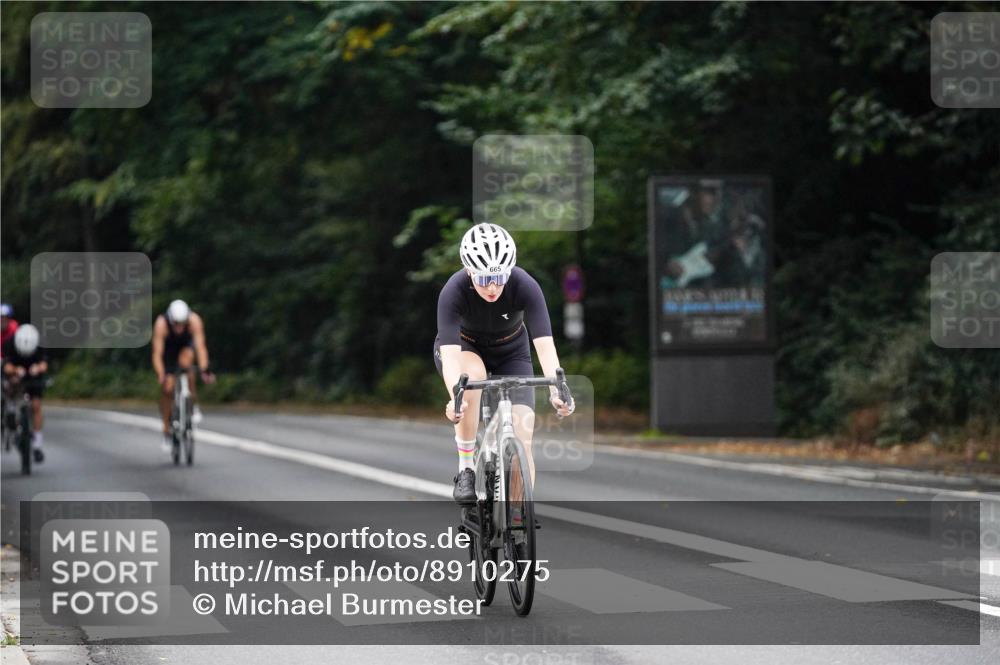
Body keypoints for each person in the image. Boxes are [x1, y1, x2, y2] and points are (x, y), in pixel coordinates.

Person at [434, 223, 574, 505]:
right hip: (465, 347)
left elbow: (545, 347)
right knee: (470, 376)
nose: (493, 286)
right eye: (484, 279)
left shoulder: (524, 285)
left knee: (523, 437)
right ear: (469, 271)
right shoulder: (453, 291)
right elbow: (450, 356)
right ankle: (466, 469)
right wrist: (455, 397)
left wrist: (558, 389)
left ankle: (518, 516)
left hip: (512, 352)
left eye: (499, 276)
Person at [151, 299, 214, 454]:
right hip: (168, 351)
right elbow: (157, 354)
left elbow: (200, 347)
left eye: (182, 324)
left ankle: (193, 404)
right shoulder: (161, 324)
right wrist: (161, 374)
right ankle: (166, 430)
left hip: (186, 347)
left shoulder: (194, 321)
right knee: (168, 388)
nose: (179, 327)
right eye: (176, 324)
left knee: (188, 365)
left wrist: (205, 369)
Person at [2, 324, 47, 463]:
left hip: (33, 377)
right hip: (16, 376)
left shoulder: (40, 345)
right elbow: (6, 365)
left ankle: (37, 444)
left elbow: (44, 364)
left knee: (36, 406)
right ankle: (10, 413)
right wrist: (15, 370)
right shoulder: (10, 343)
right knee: (10, 386)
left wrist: (38, 368)